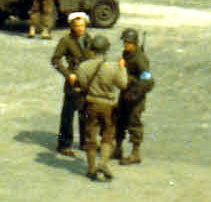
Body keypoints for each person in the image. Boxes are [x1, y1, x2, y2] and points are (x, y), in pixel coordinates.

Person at [75, 34, 127, 180]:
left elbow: (83, 85)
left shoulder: (83, 67)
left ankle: (91, 168)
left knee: (90, 136)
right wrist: (122, 68)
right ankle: (103, 163)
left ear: (92, 49)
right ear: (106, 50)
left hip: (91, 104)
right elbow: (122, 84)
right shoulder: (113, 67)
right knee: (108, 135)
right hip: (108, 106)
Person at [50, 12, 95, 158]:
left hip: (87, 80)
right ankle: (64, 144)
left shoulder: (89, 39)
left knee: (86, 112)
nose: (80, 29)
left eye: (82, 25)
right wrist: (67, 74)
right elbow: (55, 60)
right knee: (68, 114)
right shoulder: (66, 41)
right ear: (72, 26)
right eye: (77, 26)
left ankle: (84, 141)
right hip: (73, 80)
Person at [114, 28, 153, 165]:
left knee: (134, 122)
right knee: (119, 120)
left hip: (135, 96)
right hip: (125, 93)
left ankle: (135, 153)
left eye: (128, 42)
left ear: (135, 43)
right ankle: (117, 148)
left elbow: (147, 80)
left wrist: (134, 92)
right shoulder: (127, 53)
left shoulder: (140, 59)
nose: (125, 44)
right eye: (124, 42)